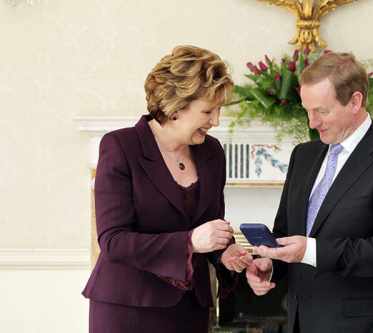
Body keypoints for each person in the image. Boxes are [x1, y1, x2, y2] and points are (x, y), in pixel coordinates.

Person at [246, 52, 373, 333]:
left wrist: (311, 249)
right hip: (300, 323)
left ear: (355, 101)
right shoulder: (303, 155)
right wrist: (270, 265)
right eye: (307, 110)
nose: (311, 123)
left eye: (322, 111)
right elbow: (285, 232)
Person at [82, 45, 252, 333]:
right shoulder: (121, 147)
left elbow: (209, 230)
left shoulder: (212, 153)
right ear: (176, 108)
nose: (216, 121)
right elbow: (113, 241)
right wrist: (190, 242)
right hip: (128, 309)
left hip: (190, 311)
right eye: (208, 111)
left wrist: (224, 253)